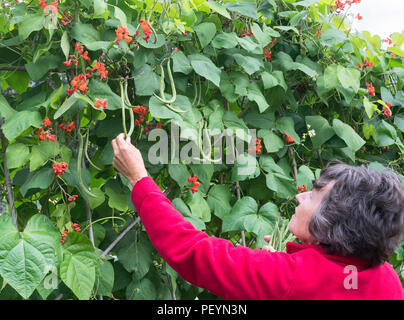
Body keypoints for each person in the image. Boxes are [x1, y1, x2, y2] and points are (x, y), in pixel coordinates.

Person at [111, 133, 404, 300]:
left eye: (313, 196)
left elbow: (191, 250)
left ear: (333, 223)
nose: (301, 196)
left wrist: (139, 178)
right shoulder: (388, 281)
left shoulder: (289, 277)